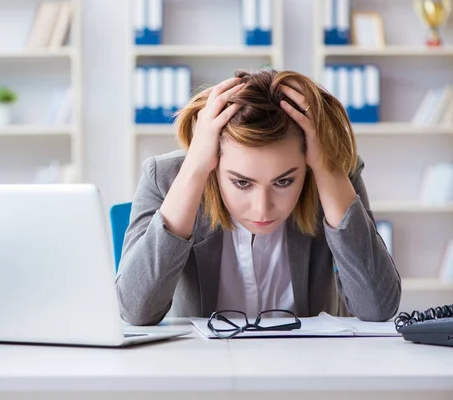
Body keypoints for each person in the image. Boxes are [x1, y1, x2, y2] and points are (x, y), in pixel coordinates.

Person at [115, 69, 401, 326]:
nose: (262, 209)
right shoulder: (165, 178)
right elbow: (135, 311)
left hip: (309, 369)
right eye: (241, 182)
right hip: (202, 371)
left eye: (284, 181)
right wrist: (193, 169)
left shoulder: (331, 176)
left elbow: (378, 307)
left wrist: (328, 168)